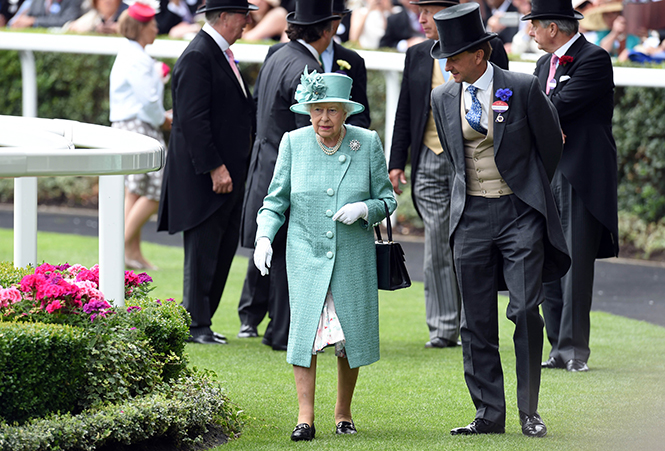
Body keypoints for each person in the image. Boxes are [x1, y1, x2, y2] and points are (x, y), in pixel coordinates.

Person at [429, 3, 570, 437]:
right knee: (475, 321)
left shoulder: (523, 88)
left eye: (453, 57)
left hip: (518, 215)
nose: (447, 66)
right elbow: (455, 158)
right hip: (469, 217)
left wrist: (524, 191)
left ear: (480, 54)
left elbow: (550, 149)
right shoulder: (442, 97)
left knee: (526, 310)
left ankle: (529, 411)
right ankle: (489, 414)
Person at [253, 69, 396, 441]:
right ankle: (305, 418)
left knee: (348, 334)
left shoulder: (366, 143)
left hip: (352, 255)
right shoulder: (293, 142)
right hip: (305, 254)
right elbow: (274, 201)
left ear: (345, 112)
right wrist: (264, 237)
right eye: (316, 110)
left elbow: (387, 199)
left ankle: (343, 413)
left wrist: (364, 209)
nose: (323, 119)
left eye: (331, 110)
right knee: (307, 334)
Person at [236, 0, 370, 341]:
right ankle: (282, 332)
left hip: (266, 163)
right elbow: (310, 132)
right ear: (329, 29)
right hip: (293, 172)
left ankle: (276, 329)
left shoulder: (278, 54)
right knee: (291, 257)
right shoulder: (305, 67)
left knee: (278, 253)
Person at [388, 0, 507, 350]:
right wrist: (397, 161)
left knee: (472, 241)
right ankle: (442, 327)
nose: (420, 19)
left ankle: (474, 322)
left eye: (427, 12)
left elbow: (503, 101)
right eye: (419, 12)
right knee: (439, 241)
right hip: (428, 159)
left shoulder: (491, 48)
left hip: (473, 160)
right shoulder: (417, 53)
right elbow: (405, 111)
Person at [526, 0, 619, 372]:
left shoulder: (594, 58)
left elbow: (554, 106)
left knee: (577, 262)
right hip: (546, 172)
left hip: (580, 174)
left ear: (553, 27)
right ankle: (556, 348)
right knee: (547, 256)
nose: (530, 31)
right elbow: (545, 108)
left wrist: (544, 113)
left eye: (534, 25)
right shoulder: (541, 64)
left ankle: (575, 349)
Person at [157, 0, 257, 345]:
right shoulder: (199, 55)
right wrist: (215, 167)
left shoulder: (220, 53)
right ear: (226, 17)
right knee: (203, 251)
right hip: (208, 179)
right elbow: (192, 121)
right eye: (244, 15)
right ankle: (195, 324)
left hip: (229, 174)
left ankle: (203, 321)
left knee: (222, 248)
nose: (248, 21)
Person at [109, 2, 171, 271]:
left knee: (135, 191)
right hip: (137, 126)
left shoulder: (132, 54)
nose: (157, 28)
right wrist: (164, 119)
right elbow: (148, 102)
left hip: (128, 125)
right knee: (159, 188)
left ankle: (132, 254)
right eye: (154, 25)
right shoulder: (138, 58)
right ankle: (117, 248)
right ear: (142, 28)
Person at [9, 0, 82, 28]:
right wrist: (20, 22)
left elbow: (65, 20)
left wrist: (34, 21)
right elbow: (28, 16)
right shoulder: (37, 1)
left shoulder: (74, 1)